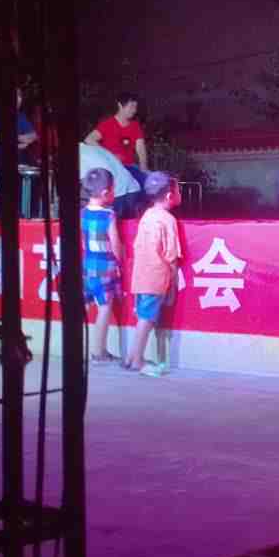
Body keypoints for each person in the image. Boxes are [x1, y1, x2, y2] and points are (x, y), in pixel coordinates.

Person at [126, 171, 182, 377]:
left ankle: (132, 356)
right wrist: (173, 283)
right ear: (169, 195)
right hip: (155, 278)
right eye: (178, 190)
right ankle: (137, 361)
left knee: (142, 316)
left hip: (140, 275)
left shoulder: (147, 215)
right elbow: (171, 255)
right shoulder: (168, 220)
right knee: (147, 319)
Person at [82, 168, 123, 363]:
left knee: (87, 305)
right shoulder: (109, 215)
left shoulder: (82, 213)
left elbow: (83, 242)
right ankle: (99, 352)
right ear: (106, 193)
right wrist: (120, 259)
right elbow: (115, 243)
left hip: (87, 266)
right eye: (113, 189)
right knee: (105, 308)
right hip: (105, 267)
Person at [86, 92, 148, 188]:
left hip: (129, 167)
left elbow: (140, 149)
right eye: (131, 107)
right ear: (120, 105)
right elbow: (89, 139)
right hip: (111, 167)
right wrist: (110, 155)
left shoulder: (135, 126)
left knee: (146, 184)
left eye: (135, 107)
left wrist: (144, 168)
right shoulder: (107, 124)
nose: (134, 110)